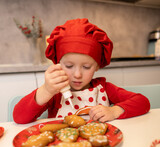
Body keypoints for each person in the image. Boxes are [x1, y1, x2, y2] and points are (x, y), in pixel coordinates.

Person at [13, 18, 150, 124]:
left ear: (97, 66)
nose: (77, 74)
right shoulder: (55, 94)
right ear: (58, 63)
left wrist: (114, 111)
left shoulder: (105, 89)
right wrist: (46, 90)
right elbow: (19, 117)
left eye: (86, 67)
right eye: (69, 66)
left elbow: (143, 102)